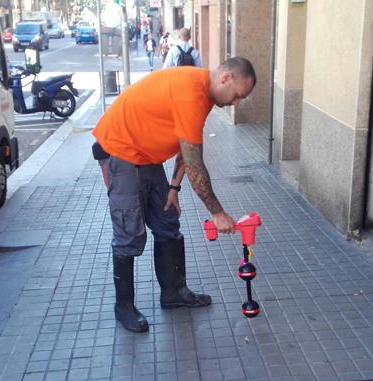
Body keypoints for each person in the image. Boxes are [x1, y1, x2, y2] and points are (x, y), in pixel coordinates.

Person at [92, 58, 257, 332]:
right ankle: (123, 307)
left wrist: (174, 188)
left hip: (146, 156)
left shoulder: (204, 94)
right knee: (129, 234)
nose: (236, 103)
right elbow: (195, 164)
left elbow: (186, 147)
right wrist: (217, 213)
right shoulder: (190, 92)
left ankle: (174, 293)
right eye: (238, 95)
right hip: (120, 150)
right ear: (226, 78)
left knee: (167, 222)